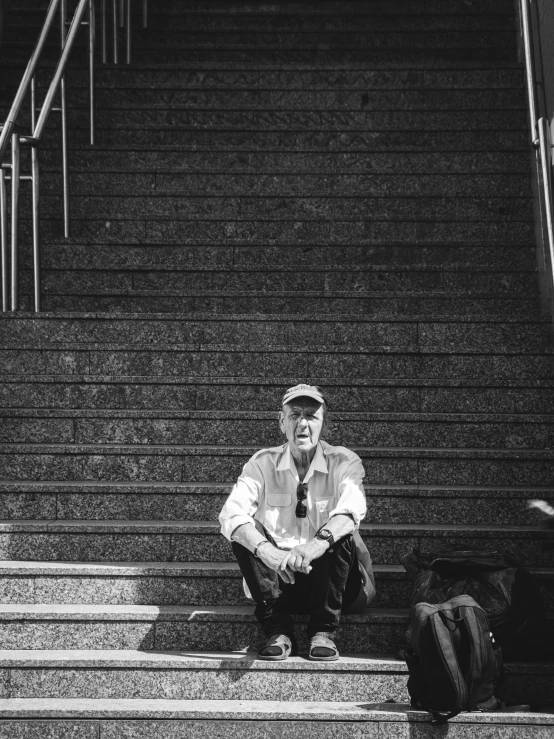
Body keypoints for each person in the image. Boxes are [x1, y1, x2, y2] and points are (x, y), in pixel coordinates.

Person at [219, 383, 375, 661]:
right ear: (281, 422)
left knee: (339, 530)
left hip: (330, 582)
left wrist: (316, 545)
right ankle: (277, 630)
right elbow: (231, 514)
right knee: (244, 531)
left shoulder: (344, 461)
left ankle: (324, 632)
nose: (302, 423)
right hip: (279, 582)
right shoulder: (262, 463)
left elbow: (353, 509)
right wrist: (270, 553)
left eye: (311, 416)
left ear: (324, 424)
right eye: (294, 415)